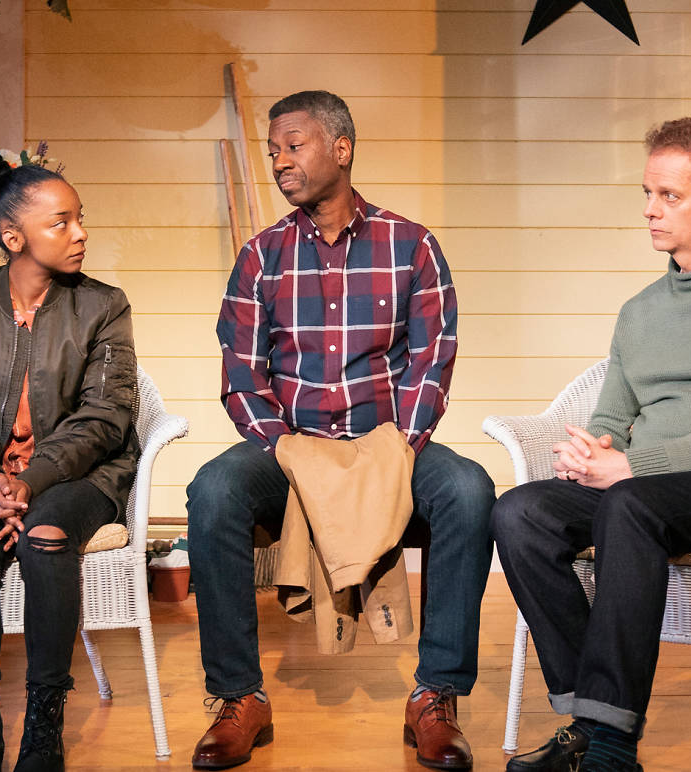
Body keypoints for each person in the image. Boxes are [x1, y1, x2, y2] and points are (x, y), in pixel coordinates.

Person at [491, 118, 691, 772]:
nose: (650, 209)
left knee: (628, 504)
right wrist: (590, 452)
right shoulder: (640, 310)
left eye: (669, 195)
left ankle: (608, 747)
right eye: (648, 193)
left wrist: (630, 466)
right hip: (644, 490)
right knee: (518, 512)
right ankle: (590, 721)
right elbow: (612, 413)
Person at [185, 90, 496, 771]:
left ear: (341, 149)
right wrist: (287, 450)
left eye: (293, 146)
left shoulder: (411, 246)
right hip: (290, 446)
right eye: (272, 151)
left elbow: (431, 362)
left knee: (469, 490)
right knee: (212, 491)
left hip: (388, 441)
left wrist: (395, 453)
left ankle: (435, 696)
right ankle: (240, 698)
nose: (278, 161)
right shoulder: (261, 254)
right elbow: (242, 373)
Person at [0, 161, 138, 772]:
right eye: (61, 221)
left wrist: (31, 480)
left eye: (80, 219)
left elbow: (105, 417)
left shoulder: (103, 306)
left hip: (77, 476)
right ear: (13, 237)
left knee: (46, 535)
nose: (79, 234)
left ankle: (45, 729)